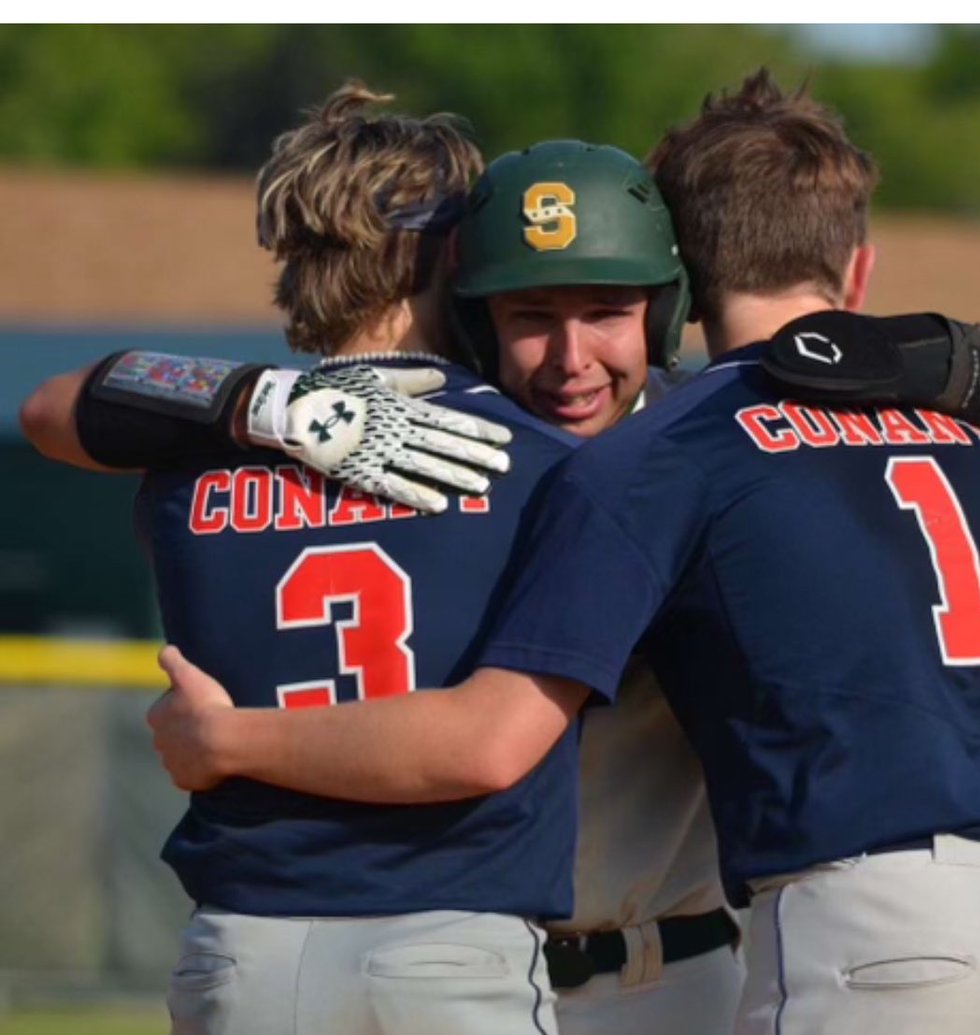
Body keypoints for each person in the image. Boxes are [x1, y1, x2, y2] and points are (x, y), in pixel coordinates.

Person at [144, 72, 980, 1035]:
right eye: (531, 315)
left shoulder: (673, 459)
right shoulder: (556, 458)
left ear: (669, 304)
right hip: (477, 959)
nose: (572, 358)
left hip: (668, 963)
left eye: (607, 311)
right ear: (475, 310)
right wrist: (954, 363)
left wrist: (231, 736)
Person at [26, 81, 582, 1035]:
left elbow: (54, 406)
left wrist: (256, 404)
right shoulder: (534, 458)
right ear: (457, 253)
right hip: (448, 940)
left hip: (240, 948)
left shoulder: (191, 452)